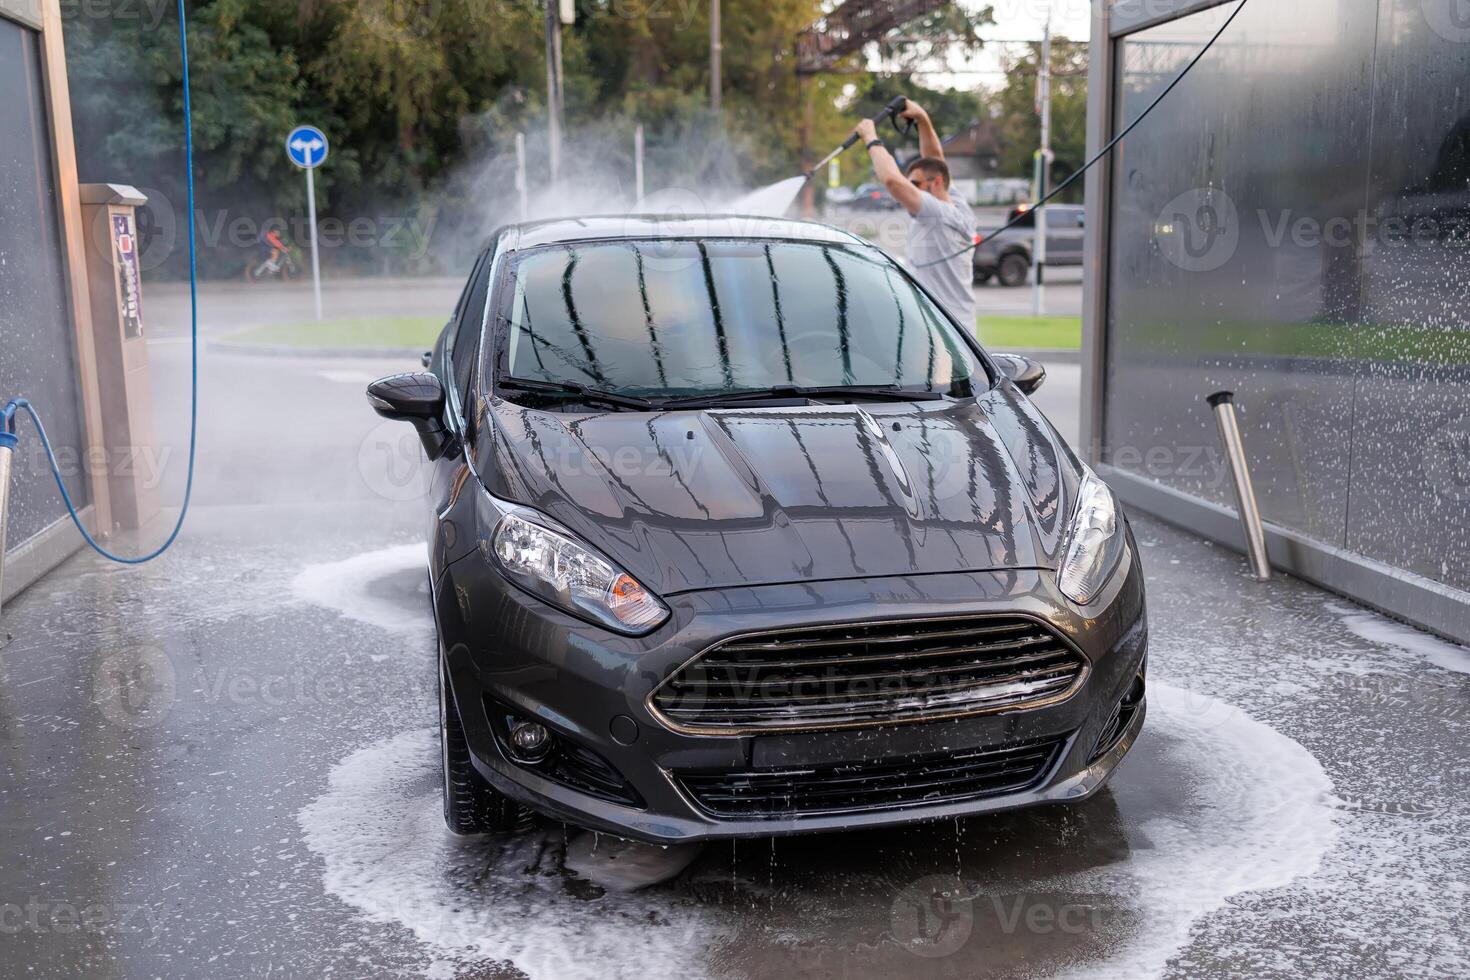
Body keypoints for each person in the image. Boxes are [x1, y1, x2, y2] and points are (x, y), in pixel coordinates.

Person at [854, 100, 978, 331]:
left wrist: (871, 138)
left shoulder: (937, 213)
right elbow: (936, 161)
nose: (911, 188)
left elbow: (892, 181)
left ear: (937, 184)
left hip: (945, 329)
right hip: (957, 327)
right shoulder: (958, 206)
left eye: (915, 183)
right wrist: (922, 119)